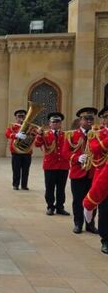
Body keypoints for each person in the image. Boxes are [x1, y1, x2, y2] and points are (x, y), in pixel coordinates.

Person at [63, 108, 98, 234]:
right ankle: (78, 223)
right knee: (78, 200)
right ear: (80, 120)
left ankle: (90, 224)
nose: (89, 121)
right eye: (86, 119)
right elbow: (65, 152)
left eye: (91, 119)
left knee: (93, 200)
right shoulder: (71, 135)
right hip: (78, 173)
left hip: (93, 173)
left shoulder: (97, 134)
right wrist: (77, 158)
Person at [82, 106, 108, 253]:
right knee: (105, 210)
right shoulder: (96, 133)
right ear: (104, 119)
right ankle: (105, 239)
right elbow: (96, 149)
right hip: (103, 177)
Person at [34, 112, 70, 216]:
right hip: (50, 165)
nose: (56, 124)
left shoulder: (66, 135)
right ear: (49, 124)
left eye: (58, 122)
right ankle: (50, 206)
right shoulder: (45, 134)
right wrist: (39, 135)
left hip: (63, 165)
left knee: (61, 188)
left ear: (61, 123)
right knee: (50, 188)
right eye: (53, 122)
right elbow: (37, 144)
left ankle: (60, 207)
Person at [6, 109, 33, 190]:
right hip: (16, 151)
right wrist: (16, 135)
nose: (21, 118)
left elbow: (34, 135)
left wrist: (30, 135)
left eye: (23, 116)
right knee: (16, 169)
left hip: (27, 151)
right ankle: (15, 185)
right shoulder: (12, 126)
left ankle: (24, 185)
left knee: (26, 170)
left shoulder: (30, 126)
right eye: (19, 116)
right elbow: (7, 134)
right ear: (16, 117)